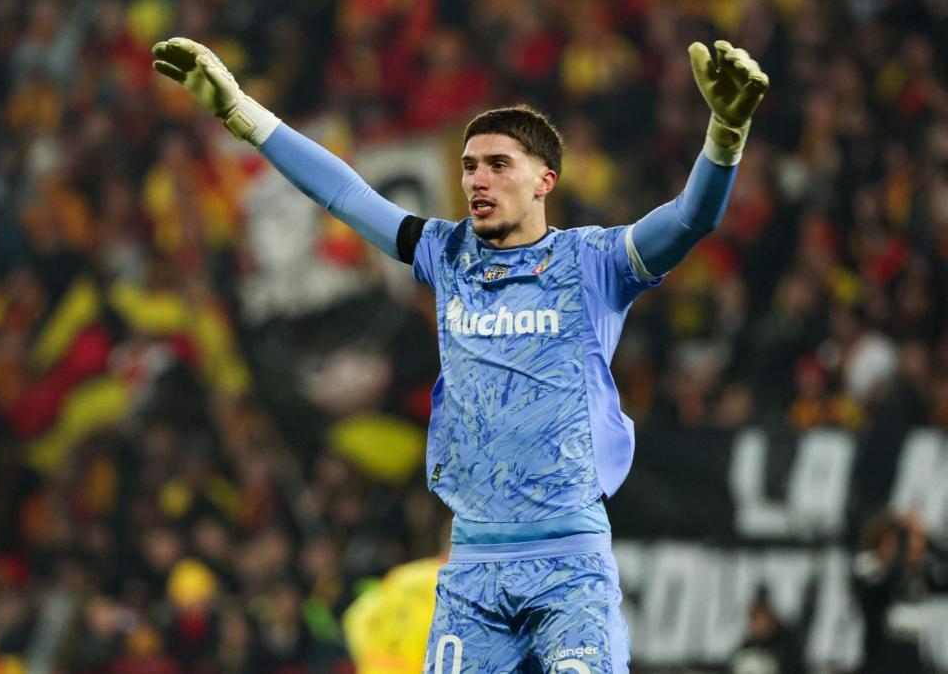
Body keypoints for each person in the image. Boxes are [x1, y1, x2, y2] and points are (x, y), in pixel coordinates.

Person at [152, 35, 768, 674]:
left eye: (498, 164)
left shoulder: (594, 261)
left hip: (568, 564)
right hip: (472, 570)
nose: (477, 178)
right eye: (470, 165)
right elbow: (344, 195)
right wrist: (243, 115)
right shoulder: (444, 254)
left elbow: (691, 219)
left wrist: (726, 133)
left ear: (545, 180)